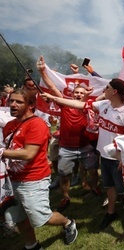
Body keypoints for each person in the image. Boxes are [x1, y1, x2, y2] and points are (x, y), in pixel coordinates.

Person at [41, 78, 124, 233]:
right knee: (109, 186)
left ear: (114, 91)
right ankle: (111, 213)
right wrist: (55, 99)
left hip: (118, 160)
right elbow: (79, 104)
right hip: (104, 156)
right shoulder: (105, 104)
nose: (104, 89)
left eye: (107, 87)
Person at [2, 88, 78, 249]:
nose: (13, 105)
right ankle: (32, 245)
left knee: (41, 218)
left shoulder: (36, 124)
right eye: (11, 101)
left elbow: (29, 153)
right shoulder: (9, 125)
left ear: (30, 105)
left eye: (18, 102)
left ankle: (68, 222)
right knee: (18, 216)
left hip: (33, 179)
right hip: (12, 179)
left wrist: (2, 152)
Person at [37, 56, 100, 212]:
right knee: (64, 175)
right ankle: (66, 196)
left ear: (86, 94)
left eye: (81, 93)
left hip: (85, 146)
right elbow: (52, 87)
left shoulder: (90, 107)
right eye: (76, 93)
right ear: (72, 94)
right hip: (66, 148)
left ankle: (94, 188)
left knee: (93, 170)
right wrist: (42, 71)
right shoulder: (64, 104)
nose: (78, 95)